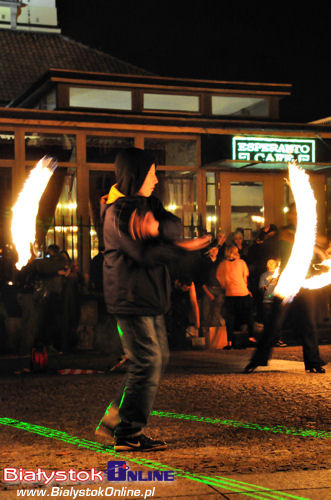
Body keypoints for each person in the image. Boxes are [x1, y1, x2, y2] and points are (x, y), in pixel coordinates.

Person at [95, 148, 210, 452]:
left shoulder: (147, 204)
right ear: (136, 175)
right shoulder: (117, 210)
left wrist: (158, 229)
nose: (157, 180)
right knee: (148, 361)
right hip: (130, 298)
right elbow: (143, 254)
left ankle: (116, 420)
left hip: (149, 298)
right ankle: (127, 434)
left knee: (152, 361)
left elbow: (172, 223)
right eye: (151, 173)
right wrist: (179, 246)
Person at [245, 204, 326, 374]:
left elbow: (322, 242)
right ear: (289, 215)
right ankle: (258, 359)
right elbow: (287, 241)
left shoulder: (308, 233)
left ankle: (313, 361)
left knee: (309, 323)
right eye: (294, 214)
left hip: (305, 283)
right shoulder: (285, 233)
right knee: (274, 322)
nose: (296, 217)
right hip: (287, 283)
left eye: (299, 213)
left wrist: (322, 249)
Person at [216, 245, 255, 349]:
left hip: (230, 294)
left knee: (230, 318)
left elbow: (219, 278)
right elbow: (245, 278)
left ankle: (229, 341)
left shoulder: (222, 264)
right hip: (242, 293)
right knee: (248, 315)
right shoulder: (241, 263)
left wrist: (226, 286)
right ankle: (251, 337)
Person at [258, 258, 287, 347]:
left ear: (275, 265)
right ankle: (268, 341)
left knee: (277, 320)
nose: (270, 264)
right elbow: (261, 288)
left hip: (277, 300)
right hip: (267, 301)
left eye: (272, 263)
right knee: (267, 322)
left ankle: (278, 339)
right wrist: (263, 288)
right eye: (268, 263)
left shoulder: (280, 275)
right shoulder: (264, 275)